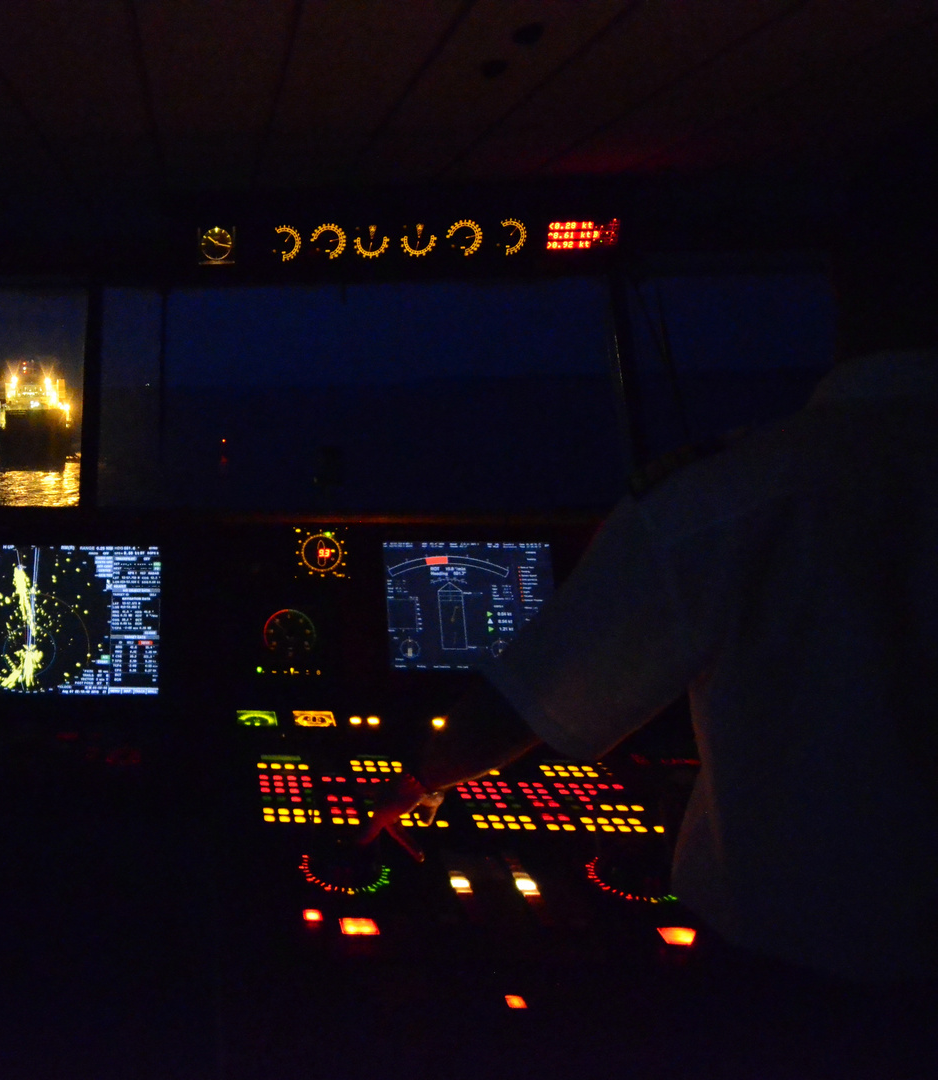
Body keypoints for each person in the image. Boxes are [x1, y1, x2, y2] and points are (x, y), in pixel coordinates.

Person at [361, 138, 938, 1067]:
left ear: (839, 283)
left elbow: (536, 698)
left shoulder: (730, 496)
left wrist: (411, 782)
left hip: (794, 992)